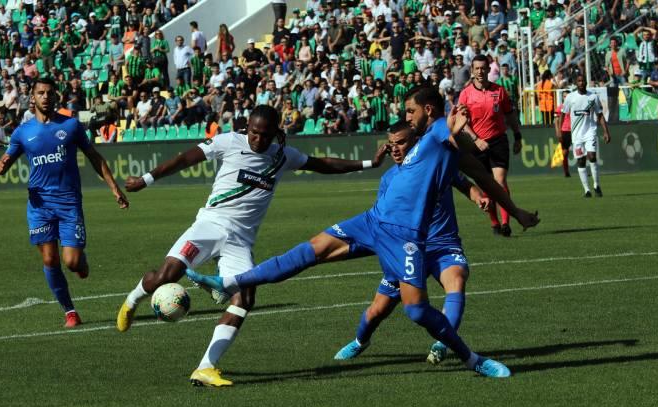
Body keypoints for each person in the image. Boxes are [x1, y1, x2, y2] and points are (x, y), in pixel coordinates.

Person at [187, 88, 512, 382]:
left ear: (428, 109)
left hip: (404, 237)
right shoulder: (415, 146)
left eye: (411, 111)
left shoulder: (437, 130)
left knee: (415, 310)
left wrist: (461, 132)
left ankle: (471, 358)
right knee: (312, 249)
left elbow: (459, 145)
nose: (406, 116)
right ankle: (230, 282)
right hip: (372, 222)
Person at [115, 105, 390, 387]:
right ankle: (133, 300)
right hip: (208, 226)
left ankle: (205, 367)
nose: (258, 139)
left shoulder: (282, 156)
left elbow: (322, 164)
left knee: (245, 298)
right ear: (247, 127)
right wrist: (146, 179)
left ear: (276, 133)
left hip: (241, 240)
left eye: (265, 135)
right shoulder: (228, 141)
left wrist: (369, 164)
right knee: (166, 275)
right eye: (254, 133)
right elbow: (186, 158)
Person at [333, 121, 490, 364]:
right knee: (377, 311)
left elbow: (463, 183)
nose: (394, 149)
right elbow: (383, 221)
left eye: (401, 143)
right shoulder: (388, 179)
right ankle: (359, 342)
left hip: (442, 244)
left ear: (416, 143)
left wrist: (478, 196)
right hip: (406, 249)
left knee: (456, 281)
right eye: (391, 145)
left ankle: (442, 342)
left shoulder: (437, 164)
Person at [0, 77, 129, 328]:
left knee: (72, 262)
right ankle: (70, 312)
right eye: (41, 93)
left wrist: (114, 188)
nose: (46, 96)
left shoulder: (71, 126)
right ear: (32, 98)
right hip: (39, 205)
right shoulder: (23, 132)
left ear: (56, 97)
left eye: (50, 93)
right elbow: (5, 160)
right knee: (49, 259)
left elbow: (94, 157)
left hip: (68, 204)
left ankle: (81, 261)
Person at [459, 54, 523, 237]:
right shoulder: (465, 94)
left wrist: (517, 136)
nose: (480, 71)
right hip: (475, 144)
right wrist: (475, 138)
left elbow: (510, 115)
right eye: (476, 68)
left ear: (488, 69)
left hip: (497, 141)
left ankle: (505, 223)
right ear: (472, 71)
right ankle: (494, 222)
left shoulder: (499, 91)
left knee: (500, 181)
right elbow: (461, 121)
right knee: (486, 186)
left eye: (483, 68)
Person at [557, 74, 611, 197]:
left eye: (583, 81)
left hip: (590, 131)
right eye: (579, 81)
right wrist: (560, 131)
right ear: (576, 83)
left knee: (592, 156)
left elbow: (600, 115)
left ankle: (596, 185)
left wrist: (606, 131)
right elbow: (563, 114)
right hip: (576, 135)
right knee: (581, 161)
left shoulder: (592, 97)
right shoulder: (570, 97)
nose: (581, 83)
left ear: (586, 83)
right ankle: (587, 190)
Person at [554, 91, 572, 178]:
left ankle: (585, 169)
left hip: (575, 130)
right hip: (564, 131)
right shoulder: (560, 107)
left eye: (567, 96)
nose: (566, 98)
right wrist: (558, 131)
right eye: (564, 96)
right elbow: (556, 120)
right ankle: (566, 171)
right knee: (565, 152)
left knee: (582, 151)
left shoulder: (573, 106)